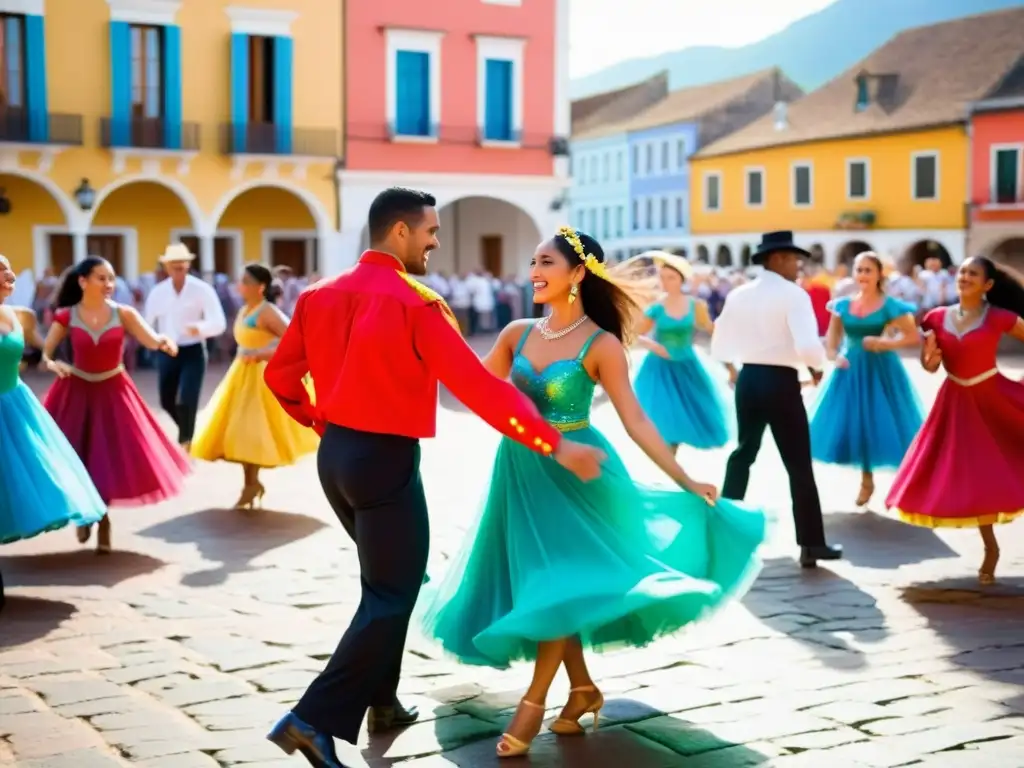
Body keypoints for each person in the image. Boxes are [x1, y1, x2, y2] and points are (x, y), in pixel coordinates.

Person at [261, 187, 605, 768]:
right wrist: (554, 443)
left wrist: (323, 424)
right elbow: (479, 389)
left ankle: (384, 701)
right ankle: (311, 720)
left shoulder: (317, 294)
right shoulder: (417, 302)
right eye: (430, 232)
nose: (435, 243)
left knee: (389, 581)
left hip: (336, 457)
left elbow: (280, 378)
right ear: (399, 232)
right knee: (393, 590)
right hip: (385, 461)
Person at [419, 228, 766, 758]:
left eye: (546, 263)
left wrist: (686, 479)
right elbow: (473, 394)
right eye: (532, 261)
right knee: (551, 585)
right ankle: (582, 688)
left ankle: (532, 704)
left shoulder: (601, 343)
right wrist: (421, 358)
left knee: (564, 583)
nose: (534, 271)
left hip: (580, 473)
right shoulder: (515, 332)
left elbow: (637, 421)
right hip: (520, 471)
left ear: (578, 274)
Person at [887, 256, 1024, 584]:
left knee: (1000, 469)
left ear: (987, 285)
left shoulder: (1001, 318)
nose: (964, 277)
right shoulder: (935, 318)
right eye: (962, 271)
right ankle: (990, 549)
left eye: (973, 274)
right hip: (954, 403)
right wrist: (928, 359)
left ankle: (991, 552)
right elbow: (931, 366)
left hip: (993, 398)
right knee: (968, 476)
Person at [711, 231, 842, 568]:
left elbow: (720, 341)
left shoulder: (739, 293)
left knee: (743, 455)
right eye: (794, 259)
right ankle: (811, 544)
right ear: (778, 258)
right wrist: (816, 368)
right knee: (798, 464)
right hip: (781, 382)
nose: (799, 266)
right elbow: (809, 346)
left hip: (749, 378)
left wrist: (735, 366)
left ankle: (725, 534)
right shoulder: (793, 295)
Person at [41, 258, 190, 553]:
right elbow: (46, 352)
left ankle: (104, 519)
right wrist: (51, 363)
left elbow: (150, 339)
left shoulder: (124, 313)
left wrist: (164, 342)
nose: (109, 285)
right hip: (76, 392)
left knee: (107, 458)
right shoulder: (65, 316)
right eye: (101, 278)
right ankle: (86, 514)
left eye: (111, 279)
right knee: (77, 457)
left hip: (114, 392)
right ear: (83, 281)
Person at [0, 255, 106, 611]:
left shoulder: (21, 315)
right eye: (1, 271)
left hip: (15, 406)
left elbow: (41, 346)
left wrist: (51, 360)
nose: (10, 275)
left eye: (9, 267)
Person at [190, 263, 319, 509]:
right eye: (241, 280)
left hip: (262, 378)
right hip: (241, 375)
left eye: (246, 281)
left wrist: (263, 353)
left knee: (251, 431)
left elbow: (296, 339)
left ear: (260, 287)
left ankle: (251, 484)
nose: (241, 285)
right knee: (237, 432)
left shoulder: (267, 311)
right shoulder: (244, 309)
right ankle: (251, 483)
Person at [809, 252, 923, 507]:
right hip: (849, 370)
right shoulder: (842, 305)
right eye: (858, 270)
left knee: (888, 424)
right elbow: (832, 340)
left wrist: (884, 342)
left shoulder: (890, 305)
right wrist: (833, 357)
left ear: (879, 275)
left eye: (867, 270)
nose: (862, 275)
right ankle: (866, 481)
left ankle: (906, 485)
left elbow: (912, 336)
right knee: (857, 425)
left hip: (881, 370)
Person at [631, 251, 734, 452]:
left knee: (691, 415)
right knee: (666, 421)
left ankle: (673, 469)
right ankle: (670, 467)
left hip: (687, 365)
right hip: (659, 369)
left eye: (671, 277)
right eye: (662, 277)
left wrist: (730, 360)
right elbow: (635, 335)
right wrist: (654, 346)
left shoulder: (696, 305)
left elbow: (713, 331)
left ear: (681, 279)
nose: (666, 282)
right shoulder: (657, 307)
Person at [143, 243, 227, 451]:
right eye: (173, 266)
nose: (178, 270)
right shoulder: (158, 293)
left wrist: (199, 328)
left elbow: (219, 322)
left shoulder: (202, 290)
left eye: (182, 266)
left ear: (188, 266)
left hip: (193, 350)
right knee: (166, 399)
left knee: (188, 397)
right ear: (166, 268)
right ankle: (189, 433)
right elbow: (146, 323)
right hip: (167, 350)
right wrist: (153, 341)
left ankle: (186, 441)